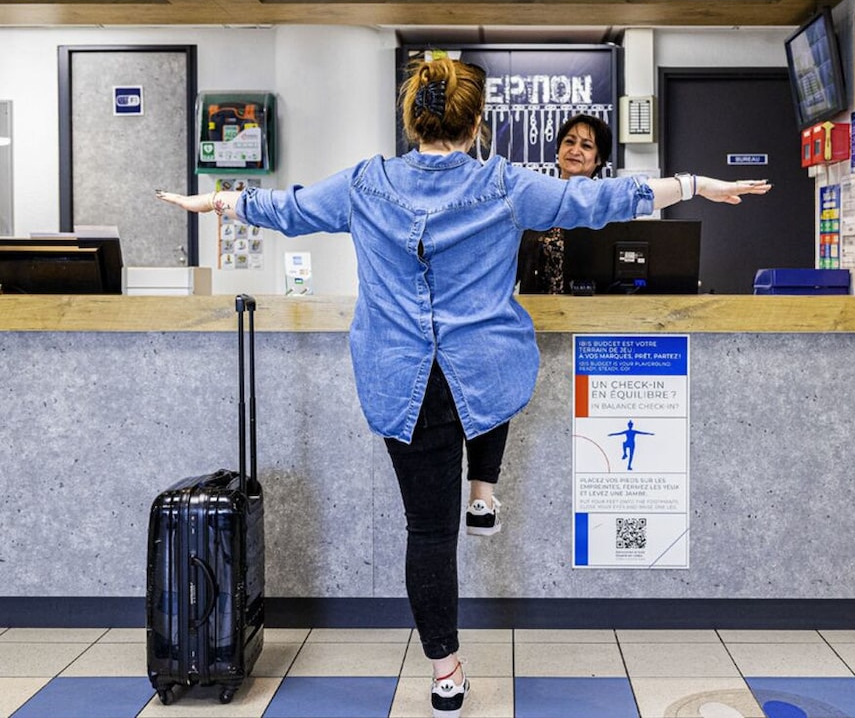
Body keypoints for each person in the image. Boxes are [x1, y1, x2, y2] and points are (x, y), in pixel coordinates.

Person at [156, 55, 769, 718]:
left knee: (427, 532)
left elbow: (288, 208)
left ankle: (445, 673)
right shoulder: (505, 183)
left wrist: (214, 199)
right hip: (482, 367)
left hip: (400, 379)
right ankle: (483, 489)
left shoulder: (365, 183)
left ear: (411, 121)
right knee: (499, 371)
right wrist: (695, 183)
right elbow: (598, 200)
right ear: (477, 125)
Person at [517, 113, 613, 294]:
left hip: (593, 309)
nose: (575, 151)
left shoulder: (607, 207)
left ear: (599, 159)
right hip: (537, 308)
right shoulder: (536, 201)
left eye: (586, 146)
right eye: (569, 142)